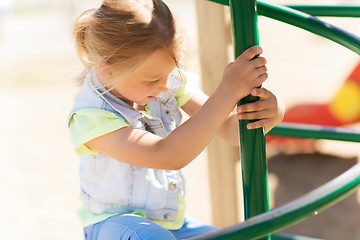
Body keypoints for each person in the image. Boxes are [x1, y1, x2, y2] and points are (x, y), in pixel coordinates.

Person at [68, 0, 284, 239]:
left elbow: (229, 130)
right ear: (106, 70)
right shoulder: (92, 116)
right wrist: (226, 92)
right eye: (152, 79)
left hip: (170, 225)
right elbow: (166, 155)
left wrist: (272, 113)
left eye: (169, 73)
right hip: (112, 226)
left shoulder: (166, 83)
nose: (166, 85)